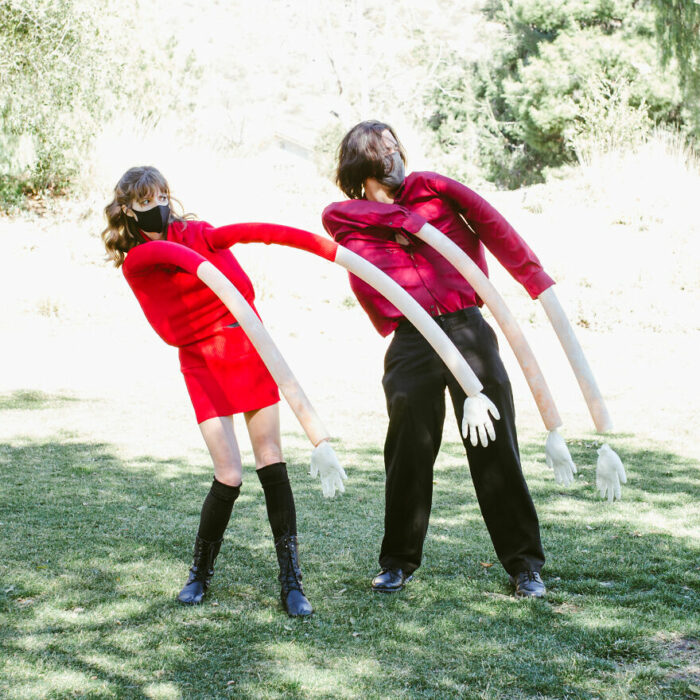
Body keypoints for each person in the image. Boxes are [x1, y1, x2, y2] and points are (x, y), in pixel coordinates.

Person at [322, 121, 554, 598]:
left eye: (394, 145)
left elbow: (494, 225)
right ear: (361, 162)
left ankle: (525, 565)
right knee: (408, 449)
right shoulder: (345, 216)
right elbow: (342, 220)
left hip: (467, 327)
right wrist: (405, 220)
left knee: (495, 447)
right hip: (411, 340)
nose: (393, 155)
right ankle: (398, 562)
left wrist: (536, 283)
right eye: (380, 150)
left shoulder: (433, 189)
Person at [101, 165, 313, 616]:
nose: (156, 207)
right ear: (127, 209)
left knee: (270, 457)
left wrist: (318, 246)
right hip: (200, 359)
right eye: (144, 202)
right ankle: (199, 574)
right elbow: (168, 271)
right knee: (229, 472)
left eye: (161, 196)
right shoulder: (138, 261)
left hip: (244, 345)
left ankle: (292, 581)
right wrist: (193, 260)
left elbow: (251, 236)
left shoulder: (198, 232)